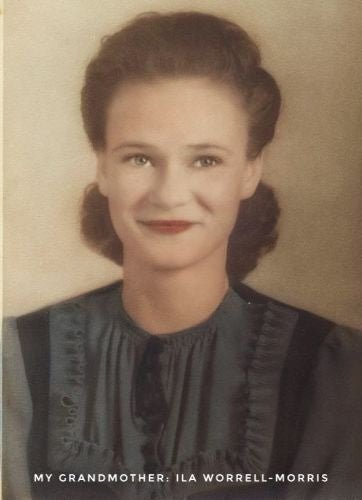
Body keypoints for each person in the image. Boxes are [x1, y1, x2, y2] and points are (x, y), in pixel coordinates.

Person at [3, 11, 362, 500]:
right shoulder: (15, 365)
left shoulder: (335, 371)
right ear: (102, 167)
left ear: (250, 172)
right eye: (140, 158)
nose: (170, 193)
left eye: (206, 160)